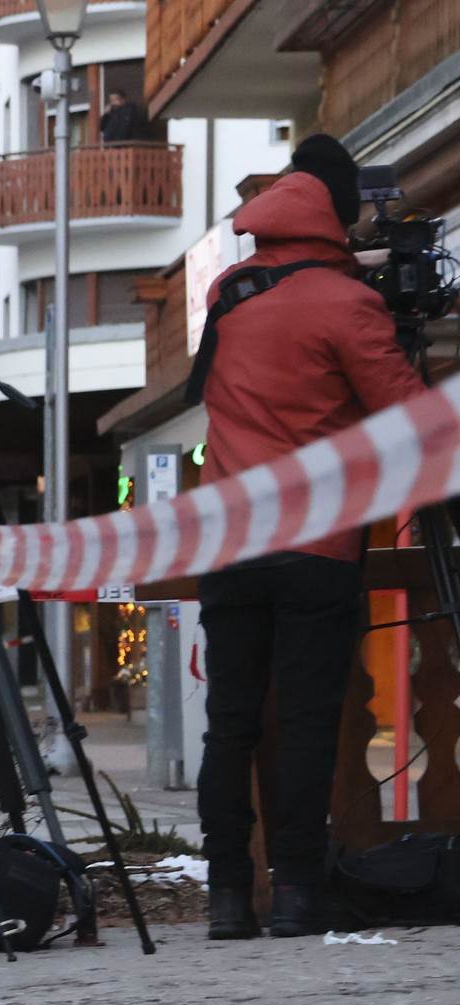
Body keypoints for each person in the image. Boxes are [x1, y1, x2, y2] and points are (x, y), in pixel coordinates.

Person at [193, 134, 425, 940]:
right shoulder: (345, 303)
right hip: (315, 544)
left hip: (227, 541)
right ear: (338, 210)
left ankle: (226, 894)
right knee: (306, 718)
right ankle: (295, 889)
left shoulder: (232, 289)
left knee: (232, 722)